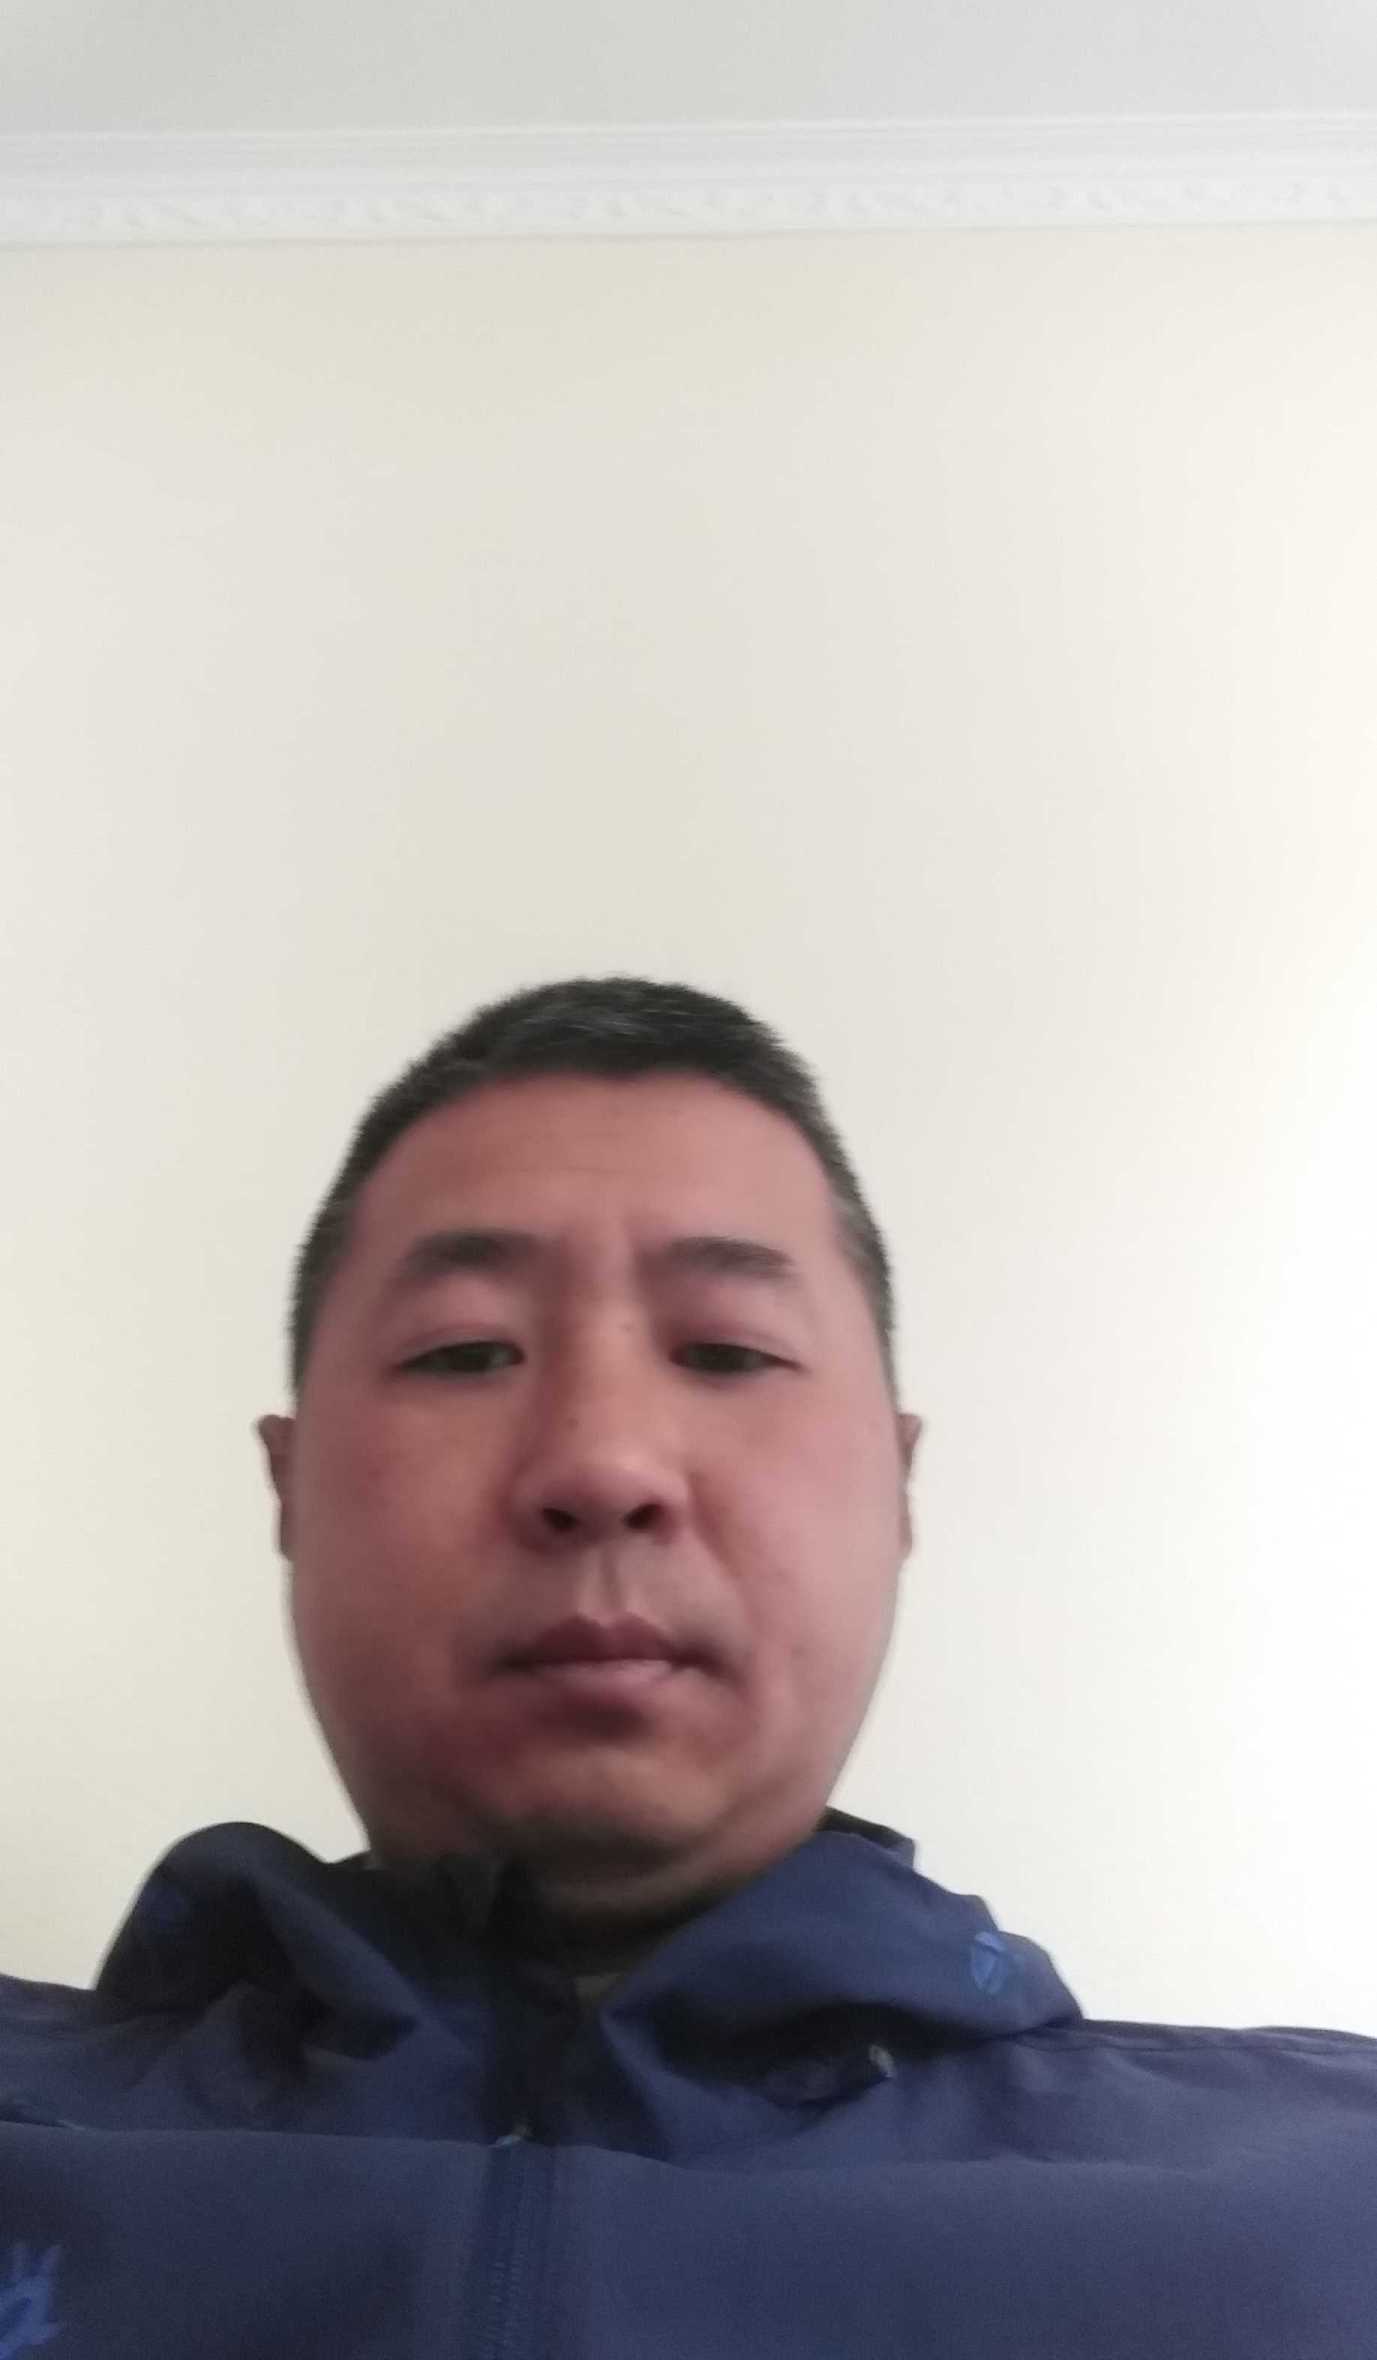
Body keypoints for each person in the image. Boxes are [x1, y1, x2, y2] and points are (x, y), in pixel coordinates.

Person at [2, 975, 1374, 2359]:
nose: (602, 1462)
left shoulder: (1334, 2200)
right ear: (288, 1487)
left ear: (897, 1485)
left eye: (726, 1350)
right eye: (464, 1352)